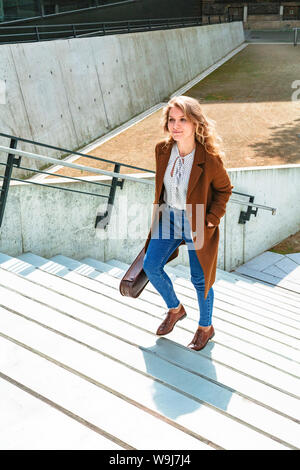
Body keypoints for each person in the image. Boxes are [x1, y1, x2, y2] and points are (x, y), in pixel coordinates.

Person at [143, 95, 233, 351]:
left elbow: (224, 190)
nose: (176, 125)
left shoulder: (209, 158)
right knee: (151, 265)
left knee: (200, 278)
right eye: (172, 119)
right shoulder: (162, 150)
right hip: (168, 216)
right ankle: (175, 309)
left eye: (183, 119)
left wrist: (211, 221)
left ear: (196, 123)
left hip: (197, 220)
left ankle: (206, 327)